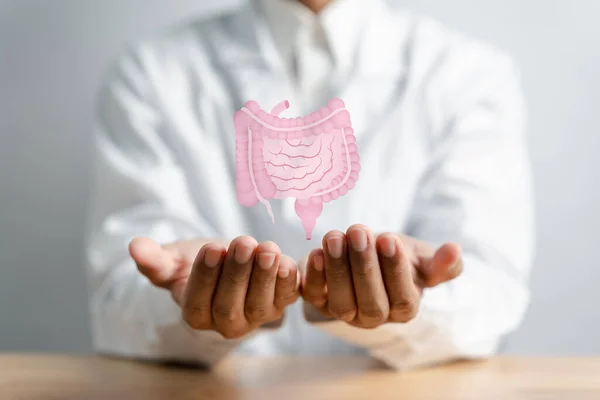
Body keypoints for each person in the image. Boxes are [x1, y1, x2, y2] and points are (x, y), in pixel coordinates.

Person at [86, 0, 534, 370]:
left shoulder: (469, 75)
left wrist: (408, 305)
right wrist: (186, 303)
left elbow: (490, 295)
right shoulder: (151, 72)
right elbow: (118, 302)